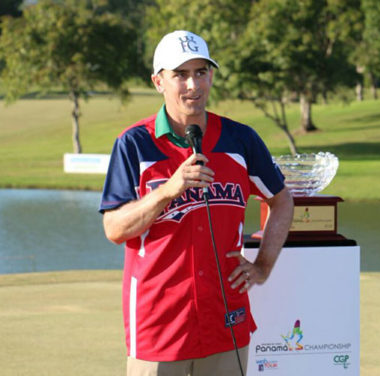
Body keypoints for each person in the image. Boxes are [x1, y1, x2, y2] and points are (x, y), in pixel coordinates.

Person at [99, 30, 294, 376]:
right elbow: (114, 228)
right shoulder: (134, 144)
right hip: (158, 329)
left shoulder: (240, 139)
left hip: (225, 322)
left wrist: (262, 265)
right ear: (158, 82)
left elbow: (282, 202)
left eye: (201, 72)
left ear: (211, 76)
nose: (193, 85)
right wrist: (166, 191)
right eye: (180, 75)